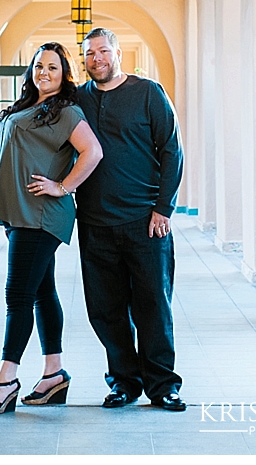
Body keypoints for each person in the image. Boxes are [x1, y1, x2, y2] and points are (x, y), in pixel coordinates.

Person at [0, 42, 103, 415]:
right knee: (42, 293)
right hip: (22, 215)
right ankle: (53, 374)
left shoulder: (66, 112)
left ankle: (6, 380)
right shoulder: (28, 107)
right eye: (38, 66)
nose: (44, 72)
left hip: (41, 215)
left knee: (17, 295)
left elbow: (93, 151)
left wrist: (62, 187)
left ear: (64, 75)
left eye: (52, 67)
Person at [75, 27, 187, 412]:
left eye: (103, 51)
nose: (97, 59)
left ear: (118, 53)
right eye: (90, 54)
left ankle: (163, 386)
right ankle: (124, 383)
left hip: (145, 222)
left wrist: (164, 208)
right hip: (95, 223)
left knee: (153, 305)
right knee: (106, 310)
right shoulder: (79, 99)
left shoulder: (149, 93)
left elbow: (172, 151)